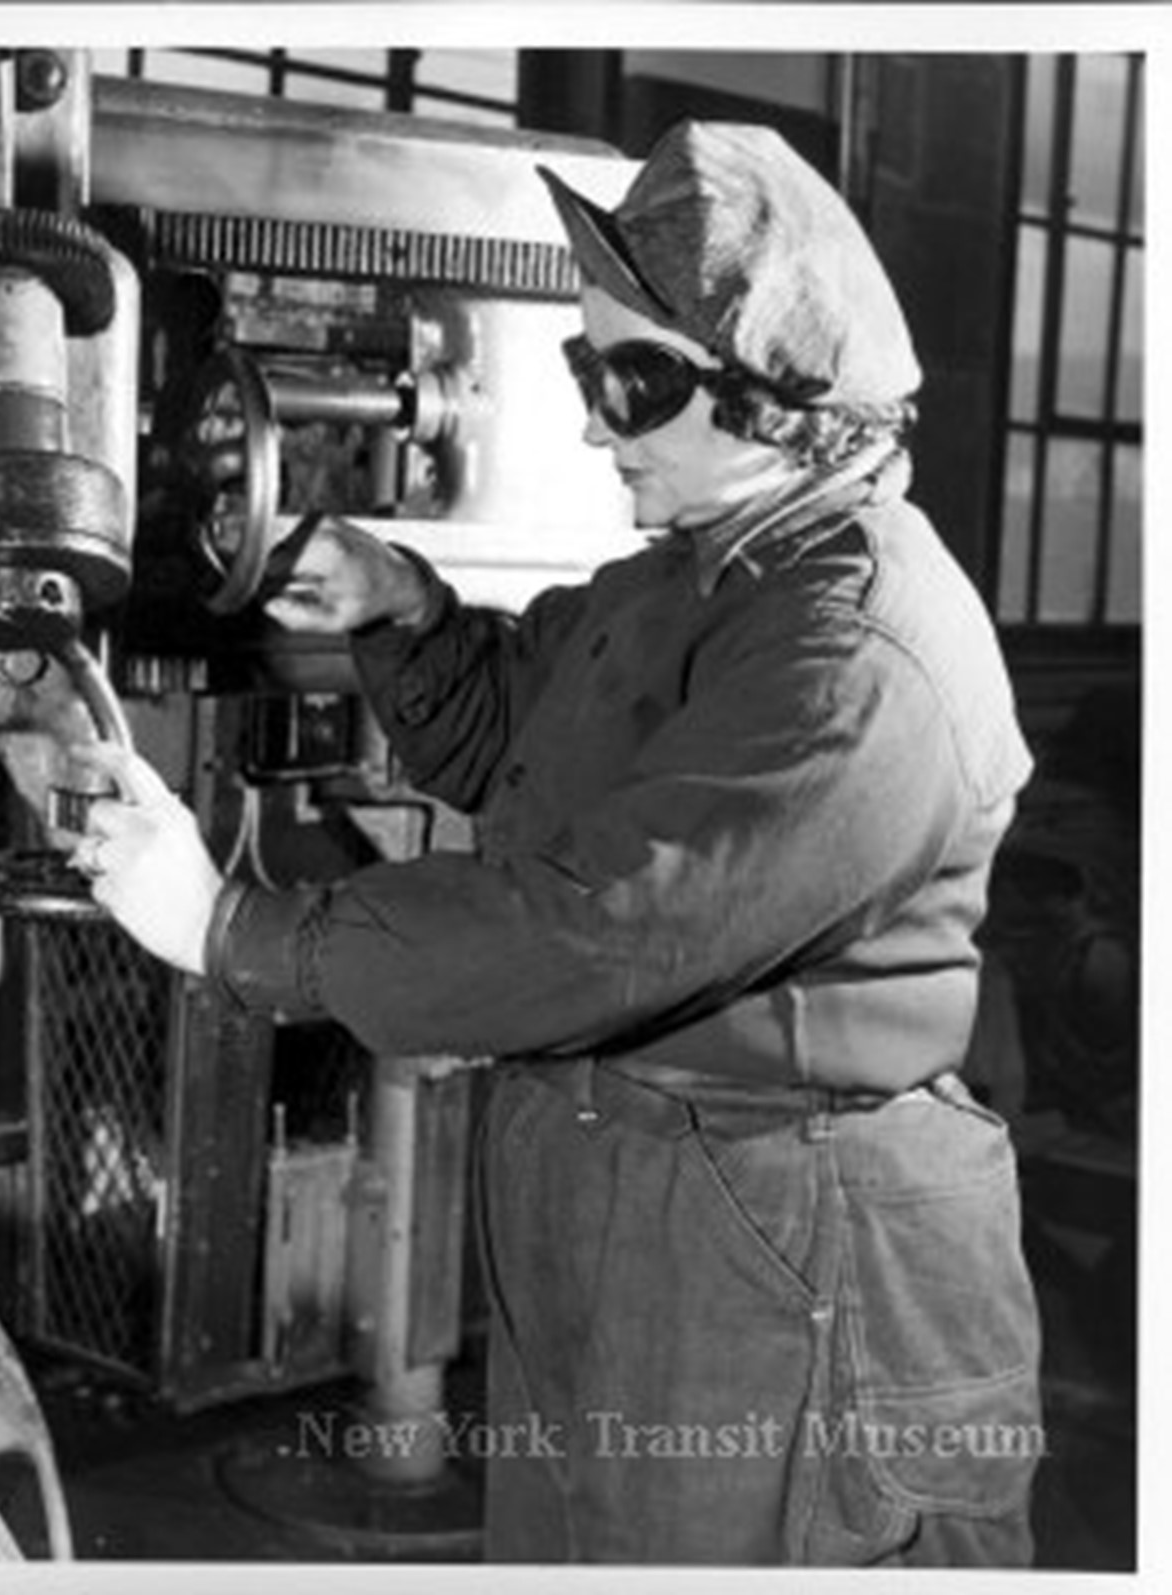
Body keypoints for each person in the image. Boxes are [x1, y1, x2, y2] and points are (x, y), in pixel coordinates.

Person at [70, 120, 1043, 1565]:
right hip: (629, 1184)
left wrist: (226, 931)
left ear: (782, 401)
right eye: (589, 374)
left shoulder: (851, 649)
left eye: (635, 381)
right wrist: (402, 605)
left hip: (783, 1234)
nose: (596, 422)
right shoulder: (693, 582)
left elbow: (599, 924)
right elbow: (522, 741)